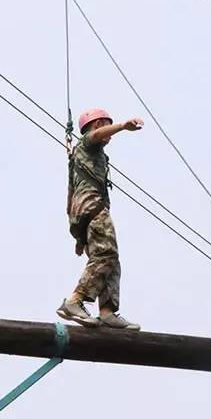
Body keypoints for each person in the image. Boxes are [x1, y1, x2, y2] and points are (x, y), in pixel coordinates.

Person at [57, 108, 144, 330]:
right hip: (92, 207)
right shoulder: (88, 143)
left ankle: (107, 311)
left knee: (111, 260)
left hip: (85, 211)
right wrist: (124, 125)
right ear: (96, 126)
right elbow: (95, 135)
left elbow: (71, 190)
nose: (109, 134)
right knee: (106, 254)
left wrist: (79, 235)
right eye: (105, 126)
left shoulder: (92, 156)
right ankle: (75, 300)